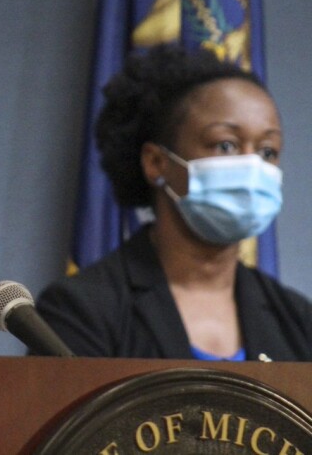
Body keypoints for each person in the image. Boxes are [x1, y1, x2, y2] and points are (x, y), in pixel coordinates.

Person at [36, 46, 312, 360]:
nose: (251, 167)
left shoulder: (299, 322)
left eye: (267, 152)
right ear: (156, 163)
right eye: (226, 145)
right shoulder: (83, 310)